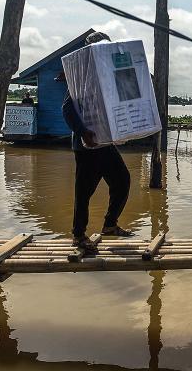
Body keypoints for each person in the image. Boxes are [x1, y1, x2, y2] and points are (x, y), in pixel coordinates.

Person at [62, 31, 133, 252]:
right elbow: (67, 109)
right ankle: (78, 235)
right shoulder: (82, 76)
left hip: (105, 143)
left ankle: (110, 225)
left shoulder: (109, 75)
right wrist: (83, 132)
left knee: (122, 180)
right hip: (86, 145)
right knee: (84, 192)